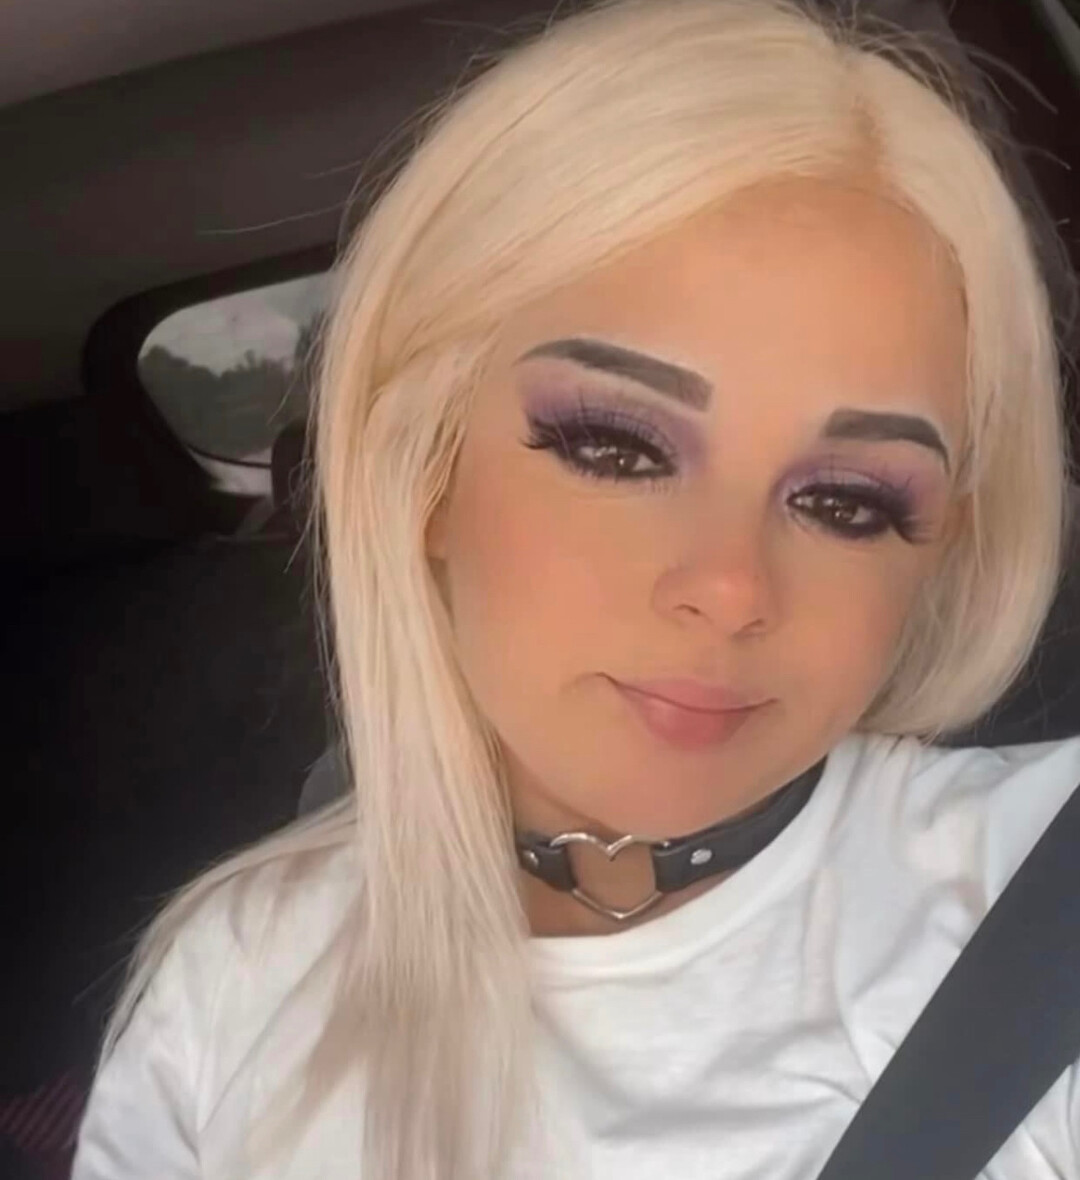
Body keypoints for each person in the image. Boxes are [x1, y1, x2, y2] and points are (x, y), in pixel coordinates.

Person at [72, 0, 1080, 1177]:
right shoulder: (235, 978)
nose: (730, 587)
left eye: (849, 502)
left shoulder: (1035, 894)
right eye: (617, 447)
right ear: (426, 468)